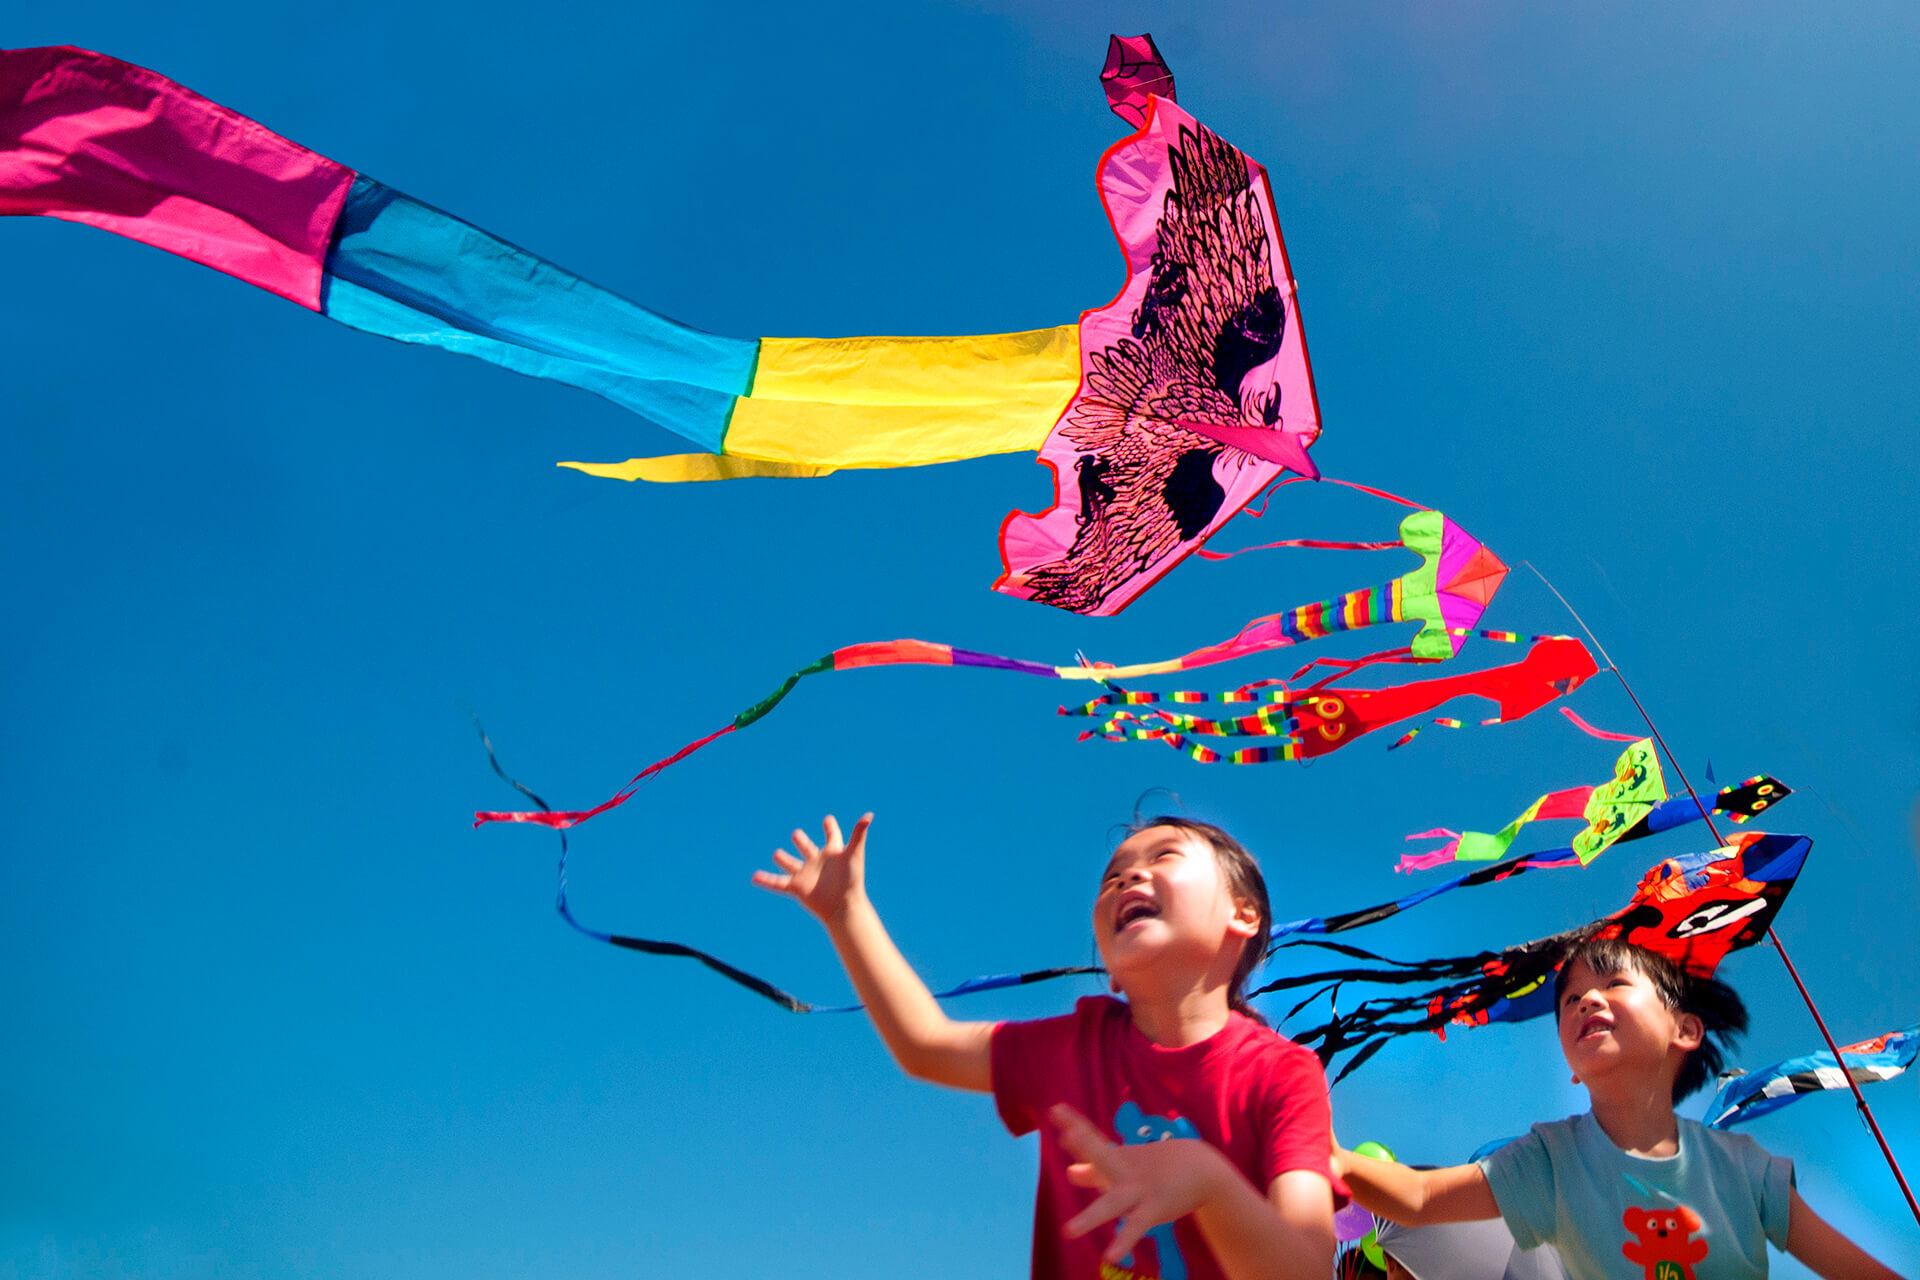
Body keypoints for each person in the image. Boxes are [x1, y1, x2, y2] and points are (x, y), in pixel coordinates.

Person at [754, 812, 1337, 1280]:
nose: (1127, 878)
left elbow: (1306, 1268)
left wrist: (1208, 1184)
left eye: (1163, 857)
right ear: (1109, 970)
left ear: (1244, 914)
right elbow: (925, 1044)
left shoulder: (1284, 1074)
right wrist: (846, 912)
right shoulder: (1075, 1047)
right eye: (1113, 877)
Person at [1331, 935, 1901, 1279]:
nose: (1587, 1001)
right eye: (1572, 998)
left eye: (1614, 984)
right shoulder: (1546, 1161)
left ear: (1685, 1029)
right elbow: (1420, 1198)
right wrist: (1325, 1152)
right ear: (1573, 1071)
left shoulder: (1744, 1171)